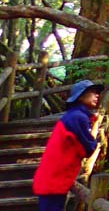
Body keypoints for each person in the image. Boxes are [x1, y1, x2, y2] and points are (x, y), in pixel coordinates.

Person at [32, 79, 104, 211]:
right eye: (92, 92)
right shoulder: (78, 118)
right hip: (54, 182)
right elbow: (88, 148)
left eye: (97, 92)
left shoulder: (73, 116)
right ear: (81, 96)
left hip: (53, 179)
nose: (97, 95)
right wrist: (95, 141)